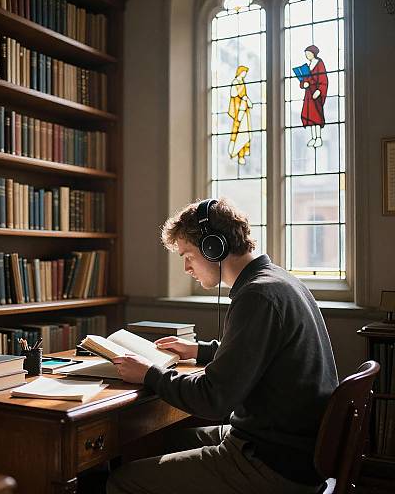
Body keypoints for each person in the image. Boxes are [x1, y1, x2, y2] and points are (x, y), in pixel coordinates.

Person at [107, 198, 338, 494]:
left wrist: (149, 374)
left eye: (188, 255)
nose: (187, 267)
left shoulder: (258, 296)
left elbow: (213, 399)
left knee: (122, 482)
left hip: (272, 462)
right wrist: (200, 350)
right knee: (157, 443)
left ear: (213, 247)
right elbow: (261, 351)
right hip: (291, 449)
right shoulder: (279, 280)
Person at [300, 45, 328, 148]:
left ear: (313, 53)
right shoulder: (309, 65)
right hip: (309, 95)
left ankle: (319, 137)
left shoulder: (319, 64)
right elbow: (304, 80)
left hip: (316, 94)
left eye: (308, 54)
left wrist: (319, 91)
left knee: (316, 116)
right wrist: (304, 84)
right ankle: (313, 137)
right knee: (310, 116)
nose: (307, 56)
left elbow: (323, 79)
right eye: (306, 54)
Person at [228, 65, 253, 165]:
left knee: (245, 132)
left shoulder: (243, 82)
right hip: (238, 109)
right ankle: (236, 153)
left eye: (245, 73)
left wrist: (247, 100)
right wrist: (242, 96)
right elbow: (233, 94)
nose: (245, 74)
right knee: (238, 131)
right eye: (244, 72)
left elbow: (245, 95)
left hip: (244, 109)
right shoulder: (235, 82)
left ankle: (242, 153)